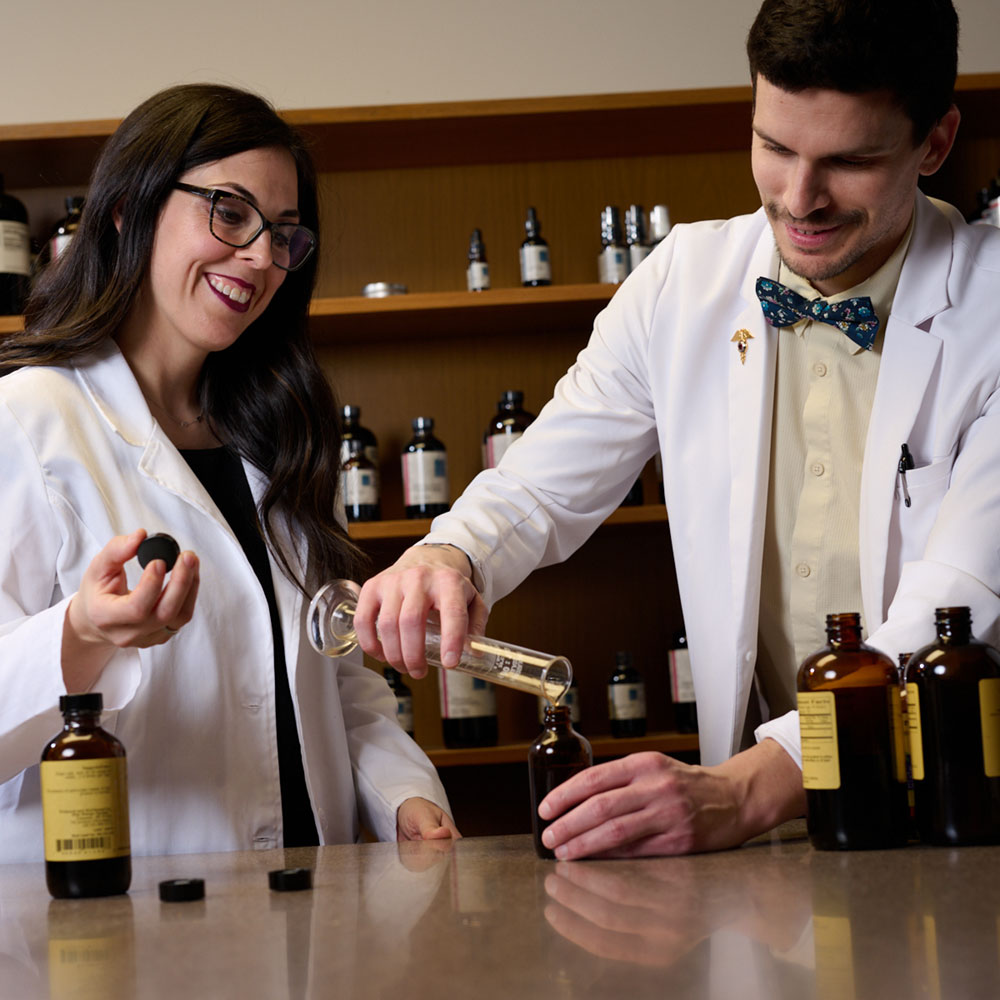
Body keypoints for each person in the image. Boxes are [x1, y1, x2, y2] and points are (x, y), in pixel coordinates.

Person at [355, 0, 1000, 858]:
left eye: (848, 161)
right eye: (774, 148)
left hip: (964, 809)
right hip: (770, 838)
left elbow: (960, 602)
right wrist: (453, 552)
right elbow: (541, 481)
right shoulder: (683, 281)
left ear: (936, 143)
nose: (799, 198)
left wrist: (745, 789)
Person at [0, 83, 457, 863]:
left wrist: (403, 794)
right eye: (230, 211)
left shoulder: (279, 435)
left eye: (283, 234)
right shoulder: (29, 420)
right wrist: (79, 633)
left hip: (313, 916)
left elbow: (338, 675)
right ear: (127, 212)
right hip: (122, 931)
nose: (258, 256)